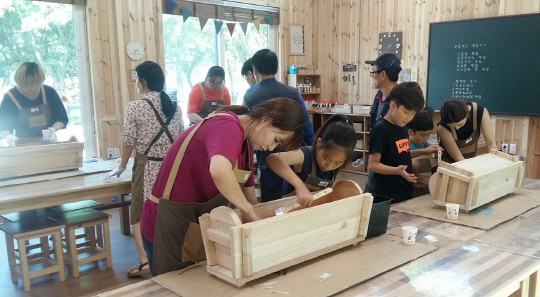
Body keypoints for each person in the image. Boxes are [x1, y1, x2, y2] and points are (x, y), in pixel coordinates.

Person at [139, 98, 306, 276]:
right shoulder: (227, 125)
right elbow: (219, 171)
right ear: (266, 119)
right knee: (171, 287)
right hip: (167, 225)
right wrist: (248, 210)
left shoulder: (246, 145)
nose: (271, 147)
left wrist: (261, 228)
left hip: (192, 227)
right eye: (276, 139)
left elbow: (249, 198)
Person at [105, 61, 184, 277]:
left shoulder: (135, 107)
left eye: (137, 79)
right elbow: (181, 140)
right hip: (170, 168)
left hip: (146, 165)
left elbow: (128, 140)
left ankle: (145, 260)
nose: (136, 83)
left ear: (144, 81)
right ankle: (168, 256)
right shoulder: (175, 107)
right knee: (165, 212)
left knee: (139, 214)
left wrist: (121, 166)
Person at [243, 49, 314, 203]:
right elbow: (306, 126)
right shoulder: (293, 93)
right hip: (295, 157)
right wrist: (311, 149)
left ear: (255, 70)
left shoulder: (250, 97)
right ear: (276, 68)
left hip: (267, 158)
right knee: (295, 199)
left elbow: (246, 132)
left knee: (272, 203)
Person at [266, 114, 356, 204]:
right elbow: (273, 159)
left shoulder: (333, 167)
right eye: (326, 158)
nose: (329, 166)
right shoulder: (304, 155)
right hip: (291, 209)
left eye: (337, 163)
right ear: (319, 143)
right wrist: (299, 185)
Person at [365, 82, 425, 204]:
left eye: (413, 114)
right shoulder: (380, 129)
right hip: (386, 194)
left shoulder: (403, 126)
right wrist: (397, 171)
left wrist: (425, 151)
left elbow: (401, 154)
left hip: (403, 189)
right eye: (406, 112)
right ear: (393, 106)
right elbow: (373, 165)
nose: (409, 118)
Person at [0, 62, 68, 145]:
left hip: (48, 142)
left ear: (40, 80)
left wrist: (53, 130)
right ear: (18, 81)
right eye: (24, 84)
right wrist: (8, 137)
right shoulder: (10, 97)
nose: (29, 88)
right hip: (21, 144)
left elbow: (62, 118)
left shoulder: (49, 92)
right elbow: (3, 126)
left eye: (33, 83)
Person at [365, 53, 402, 128]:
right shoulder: (379, 95)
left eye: (373, 72)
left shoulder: (399, 100)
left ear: (383, 75)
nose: (372, 76)